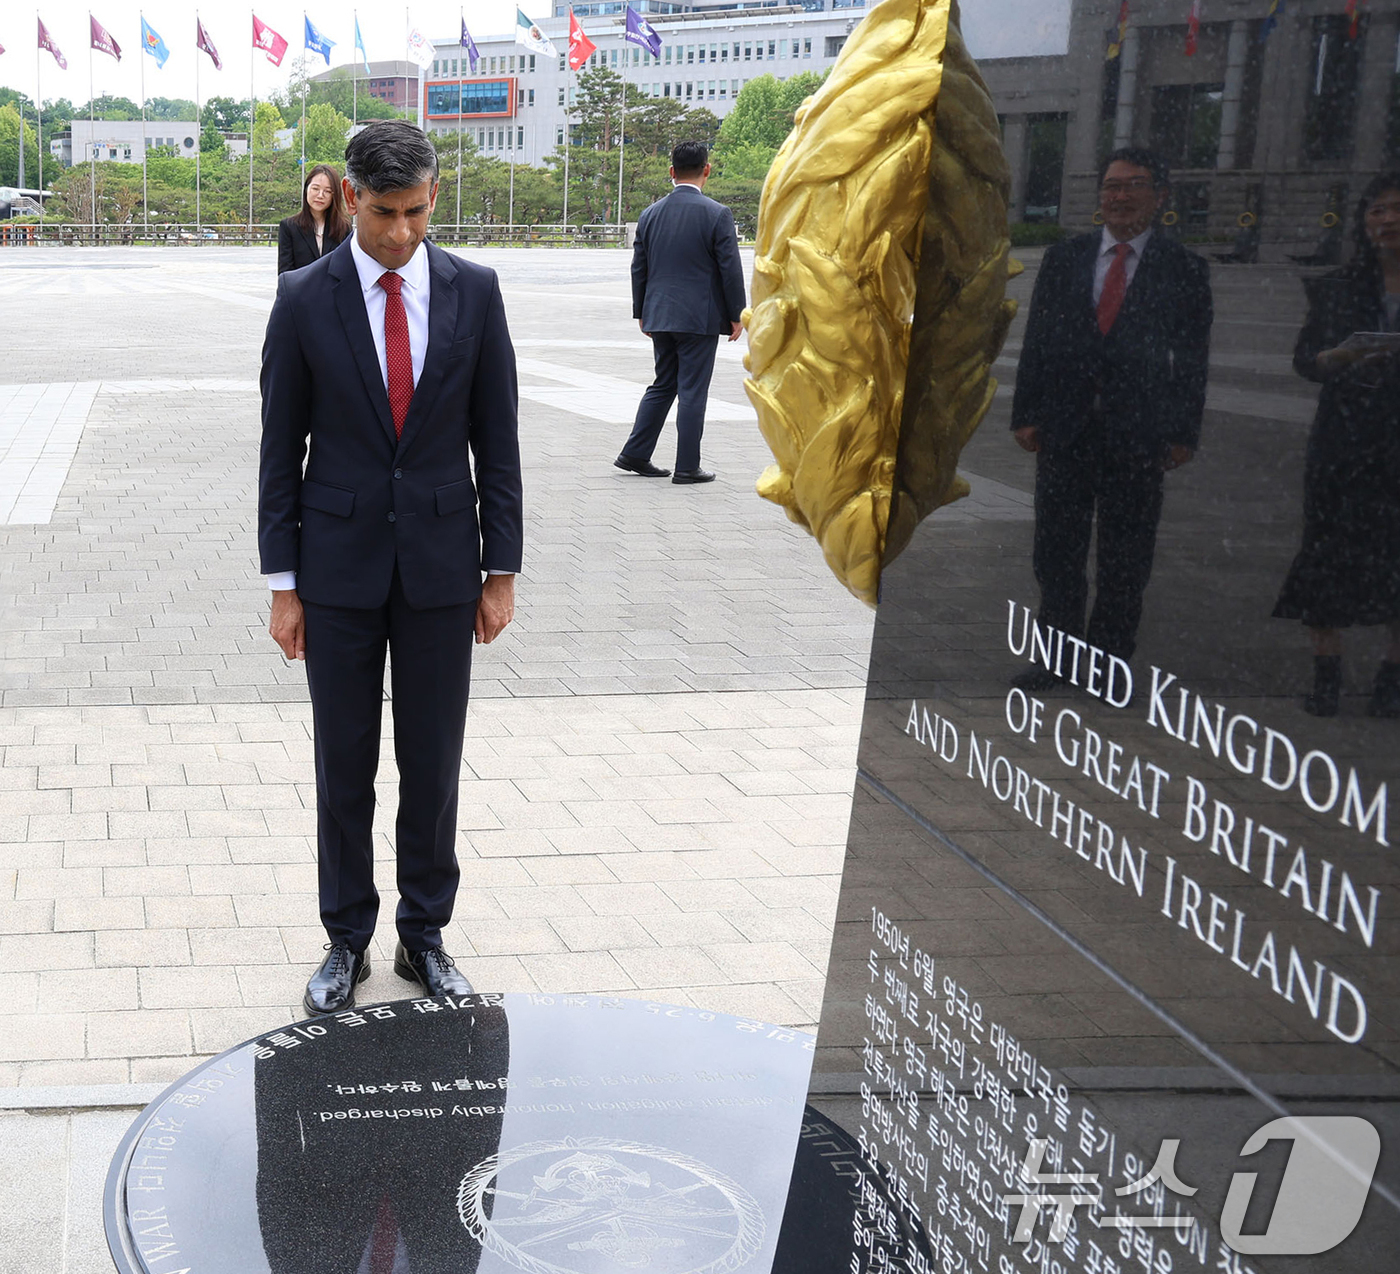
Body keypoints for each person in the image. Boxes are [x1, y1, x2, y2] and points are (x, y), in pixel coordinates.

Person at [258, 120, 523, 1015]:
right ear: (350, 199)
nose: (400, 233)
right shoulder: (303, 297)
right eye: (382, 214)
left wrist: (502, 570)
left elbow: (500, 441)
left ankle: (425, 936)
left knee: (434, 761)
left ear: (434, 197)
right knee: (344, 762)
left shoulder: (475, 293)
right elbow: (278, 450)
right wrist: (281, 585)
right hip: (334, 573)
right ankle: (345, 940)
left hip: (444, 570)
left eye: (415, 212)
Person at [1009, 147, 1212, 690]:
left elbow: (1193, 359)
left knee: (1126, 559)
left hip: (1138, 436)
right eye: (1111, 186)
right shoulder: (1065, 258)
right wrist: (1027, 413)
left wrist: (1182, 432)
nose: (1120, 196)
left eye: (1134, 185)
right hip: (1066, 430)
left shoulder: (1184, 269)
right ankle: (1055, 658)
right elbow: (1039, 342)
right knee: (1056, 553)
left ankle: (1107, 666)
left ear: (1160, 196)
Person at [1273, 173, 1400, 718]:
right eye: (1377, 211)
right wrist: (1340, 357)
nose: (1387, 220)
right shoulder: (1339, 287)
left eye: (1396, 210)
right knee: (1325, 555)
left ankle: (1390, 682)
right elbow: (1306, 360)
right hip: (1344, 443)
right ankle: (1327, 676)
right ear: (1363, 222)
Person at [615, 140, 747, 485]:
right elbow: (729, 268)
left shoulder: (650, 214)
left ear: (671, 172)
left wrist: (642, 310)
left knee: (664, 383)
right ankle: (688, 466)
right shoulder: (717, 214)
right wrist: (738, 314)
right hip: (699, 318)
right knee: (692, 389)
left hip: (659, 315)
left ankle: (635, 453)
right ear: (707, 169)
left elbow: (638, 267)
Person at [277, 163, 350, 273]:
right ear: (306, 189)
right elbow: (285, 275)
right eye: (315, 189)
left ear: (334, 195)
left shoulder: (344, 228)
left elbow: (346, 269)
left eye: (327, 191)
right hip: (301, 289)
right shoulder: (289, 227)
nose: (320, 195)